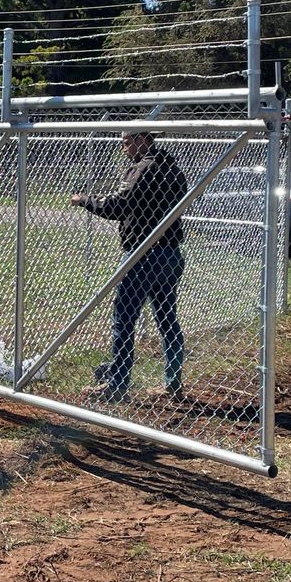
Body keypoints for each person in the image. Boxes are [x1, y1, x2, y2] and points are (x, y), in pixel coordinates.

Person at [71, 130, 187, 402]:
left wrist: (84, 200)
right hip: (170, 253)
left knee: (123, 318)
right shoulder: (172, 167)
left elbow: (119, 206)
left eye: (126, 142)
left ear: (142, 140)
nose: (123, 148)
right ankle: (173, 380)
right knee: (167, 318)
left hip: (142, 254)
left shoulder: (142, 169)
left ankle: (117, 383)